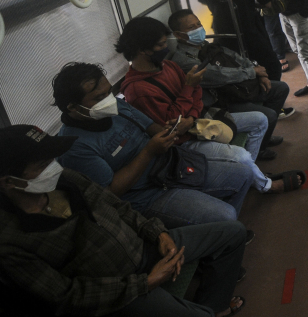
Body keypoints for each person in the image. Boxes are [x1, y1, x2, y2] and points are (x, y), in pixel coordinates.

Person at [0, 125, 247, 317]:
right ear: (9, 182)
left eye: (53, 160)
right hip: (118, 290)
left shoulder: (67, 179)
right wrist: (145, 284)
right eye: (43, 165)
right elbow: (65, 295)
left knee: (233, 233)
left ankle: (215, 305)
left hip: (143, 247)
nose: (54, 168)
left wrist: (158, 234)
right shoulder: (10, 241)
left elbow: (117, 206)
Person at [116, 17, 305, 195]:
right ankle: (264, 185)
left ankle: (248, 176)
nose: (165, 48)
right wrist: (188, 92)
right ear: (143, 50)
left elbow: (197, 94)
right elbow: (170, 122)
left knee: (260, 120)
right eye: (160, 45)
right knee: (242, 157)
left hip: (197, 121)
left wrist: (190, 116)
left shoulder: (168, 67)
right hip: (183, 142)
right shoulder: (138, 89)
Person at [52, 63, 255, 228]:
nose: (108, 101)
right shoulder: (74, 147)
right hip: (146, 195)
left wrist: (169, 132)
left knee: (244, 174)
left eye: (108, 93)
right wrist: (149, 152)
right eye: (98, 98)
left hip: (170, 166)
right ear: (73, 107)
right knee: (226, 215)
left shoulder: (117, 106)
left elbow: (151, 127)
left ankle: (220, 234)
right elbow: (111, 193)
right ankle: (221, 239)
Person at [167, 9, 295, 160]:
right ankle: (259, 149)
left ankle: (264, 136)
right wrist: (252, 73)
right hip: (222, 101)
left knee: (280, 88)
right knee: (269, 115)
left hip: (237, 89)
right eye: (191, 28)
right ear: (178, 35)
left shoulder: (204, 45)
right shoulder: (184, 61)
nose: (198, 29)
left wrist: (258, 72)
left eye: (199, 24)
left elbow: (234, 56)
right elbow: (218, 75)